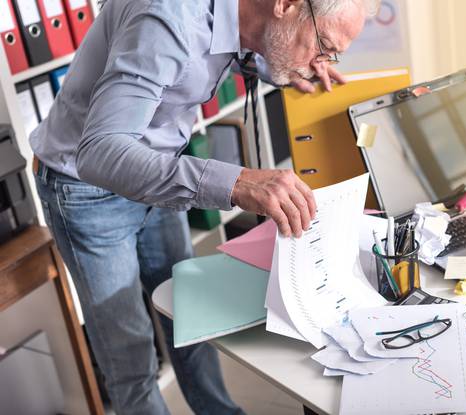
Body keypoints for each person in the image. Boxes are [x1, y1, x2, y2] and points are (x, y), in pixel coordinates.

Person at [30, 0, 378, 413]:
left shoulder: (247, 14)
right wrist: (234, 181)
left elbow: (235, 43)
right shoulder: (166, 18)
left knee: (187, 320)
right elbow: (100, 152)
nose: (323, 60)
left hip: (157, 170)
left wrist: (289, 66)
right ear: (285, 4)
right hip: (86, 187)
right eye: (322, 45)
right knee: (131, 359)